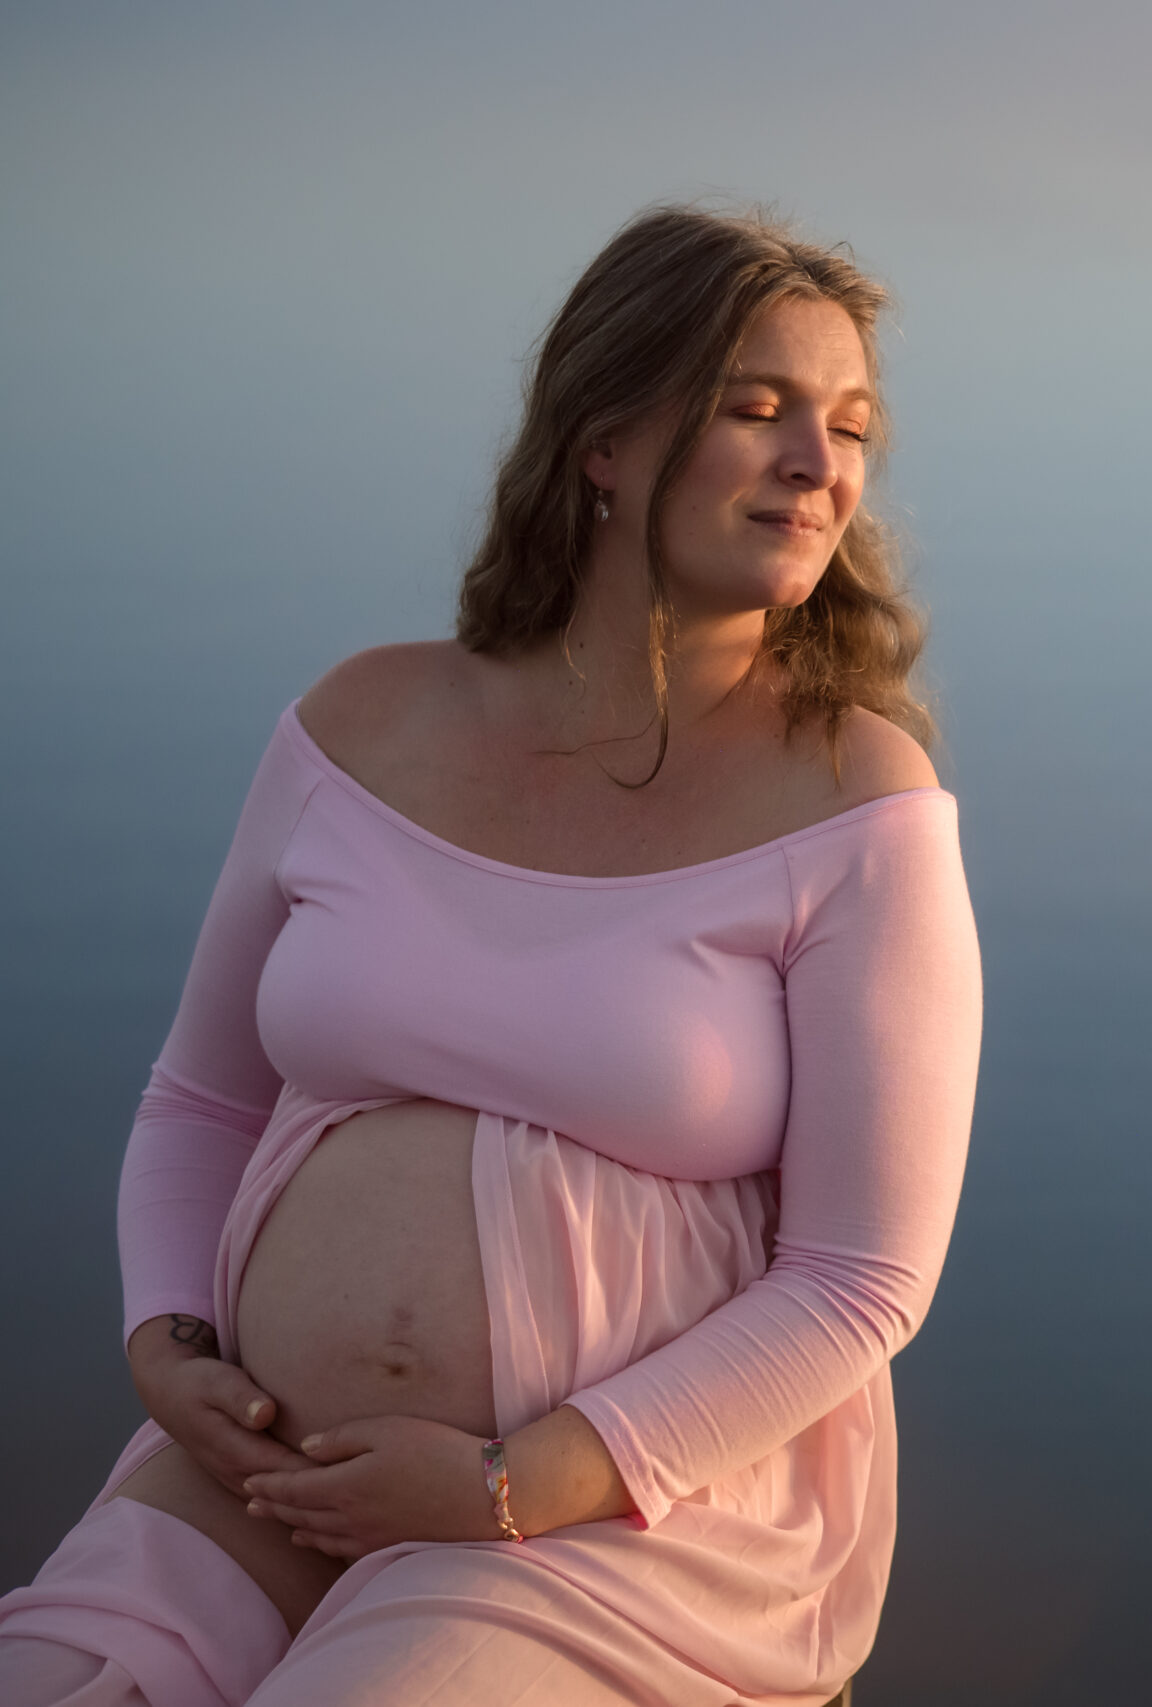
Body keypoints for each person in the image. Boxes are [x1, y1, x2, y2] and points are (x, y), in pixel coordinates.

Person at [0, 203, 983, 1706]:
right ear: (605, 440)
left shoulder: (859, 801)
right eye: (757, 408)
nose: (818, 465)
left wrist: (516, 1482)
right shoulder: (359, 722)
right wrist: (167, 1346)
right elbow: (201, 1098)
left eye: (849, 427)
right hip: (261, 1467)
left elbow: (860, 1280)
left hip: (623, 1526)